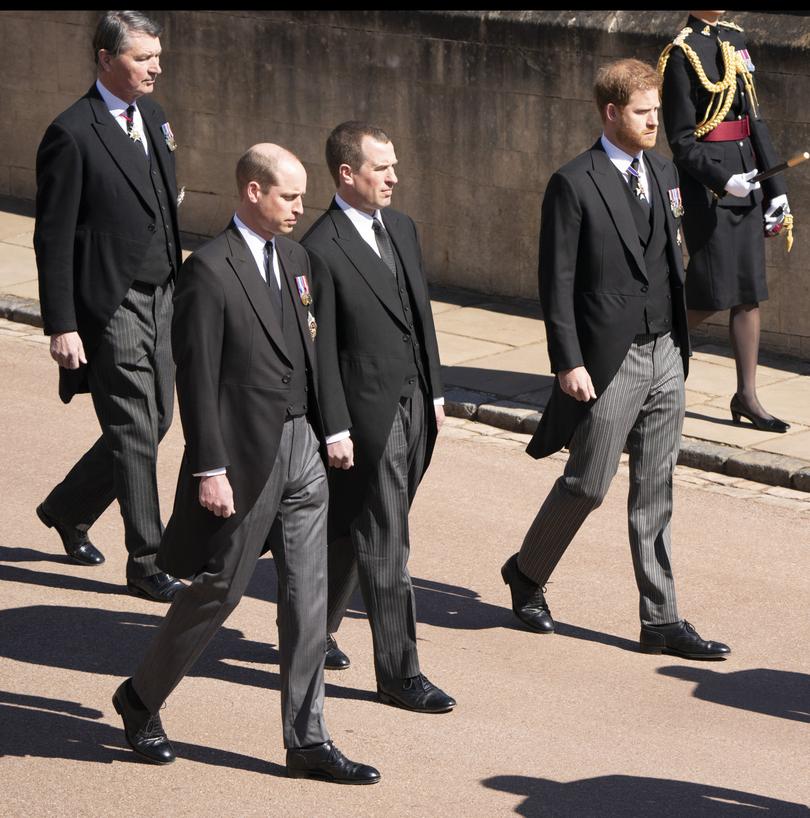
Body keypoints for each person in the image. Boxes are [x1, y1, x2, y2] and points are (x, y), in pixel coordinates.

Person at [111, 144, 379, 784]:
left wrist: (332, 428)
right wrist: (209, 467)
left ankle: (308, 739)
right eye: (288, 196)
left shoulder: (299, 259)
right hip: (243, 458)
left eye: (301, 196)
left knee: (307, 598)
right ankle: (141, 697)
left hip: (304, 452)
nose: (299, 208)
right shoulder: (208, 269)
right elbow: (197, 379)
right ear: (253, 192)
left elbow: (318, 355)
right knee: (219, 592)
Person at [501, 59, 730, 661]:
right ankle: (526, 573)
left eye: (656, 110)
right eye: (642, 112)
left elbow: (673, 248)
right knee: (587, 484)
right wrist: (567, 360)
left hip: (667, 353)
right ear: (610, 112)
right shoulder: (573, 182)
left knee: (656, 488)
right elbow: (557, 282)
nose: (655, 120)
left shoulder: (661, 167)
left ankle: (661, 619)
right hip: (609, 361)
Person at [300, 121, 455, 713]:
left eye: (393, 165)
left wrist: (436, 392)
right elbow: (321, 352)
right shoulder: (319, 247)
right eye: (381, 167)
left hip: (416, 404)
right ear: (347, 174)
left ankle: (317, 627)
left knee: (357, 525)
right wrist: (335, 427)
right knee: (388, 539)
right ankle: (399, 673)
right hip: (368, 417)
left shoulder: (403, 228)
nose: (394, 177)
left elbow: (421, 317)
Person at [33, 10, 184, 601]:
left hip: (165, 294)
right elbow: (52, 235)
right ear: (105, 57)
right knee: (135, 428)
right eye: (143, 57)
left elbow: (165, 205)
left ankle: (68, 508)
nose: (156, 66)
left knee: (157, 420)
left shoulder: (154, 116)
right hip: (111, 301)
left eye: (156, 55)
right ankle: (147, 560)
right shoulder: (71, 132)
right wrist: (62, 323)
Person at [659, 11, 792, 433]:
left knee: (748, 292)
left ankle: (747, 396)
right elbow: (680, 140)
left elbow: (755, 120)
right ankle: (648, 357)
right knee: (708, 293)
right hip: (708, 189)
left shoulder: (735, 37)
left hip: (747, 180)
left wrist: (777, 190)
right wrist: (721, 179)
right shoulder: (681, 52)